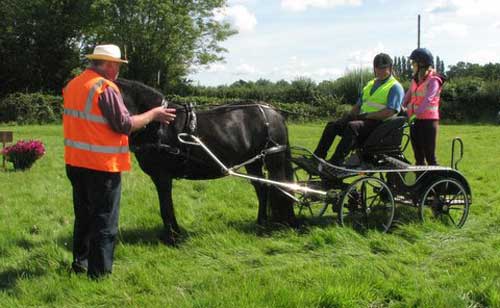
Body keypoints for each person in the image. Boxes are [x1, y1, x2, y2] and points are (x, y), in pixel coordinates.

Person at [63, 44, 176, 279]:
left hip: (75, 162)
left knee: (83, 216)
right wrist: (154, 114)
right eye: (118, 66)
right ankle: (100, 275)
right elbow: (125, 125)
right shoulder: (105, 88)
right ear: (110, 65)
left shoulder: (73, 84)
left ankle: (80, 264)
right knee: (105, 220)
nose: (118, 72)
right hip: (102, 165)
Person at [313, 53, 404, 165]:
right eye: (377, 68)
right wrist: (347, 117)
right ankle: (317, 158)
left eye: (383, 68)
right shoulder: (370, 84)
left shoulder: (395, 87)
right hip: (365, 122)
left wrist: (366, 116)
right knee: (333, 125)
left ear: (390, 68)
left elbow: (389, 112)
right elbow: (358, 105)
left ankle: (336, 162)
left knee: (353, 127)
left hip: (380, 127)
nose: (380, 71)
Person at [402, 48, 445, 165]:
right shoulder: (415, 80)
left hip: (429, 122)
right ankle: (421, 181)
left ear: (421, 64)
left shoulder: (434, 80)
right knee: (418, 156)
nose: (412, 65)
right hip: (415, 120)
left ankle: (437, 181)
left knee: (430, 155)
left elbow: (428, 100)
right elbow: (408, 95)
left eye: (413, 63)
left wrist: (415, 114)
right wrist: (401, 107)